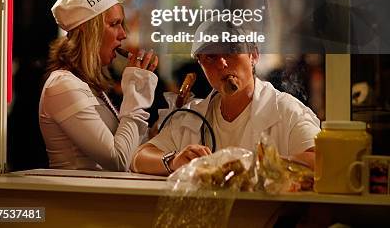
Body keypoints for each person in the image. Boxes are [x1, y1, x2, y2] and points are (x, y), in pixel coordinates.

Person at [131, 18, 320, 175]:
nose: (222, 63)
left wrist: (256, 164)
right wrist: (173, 161)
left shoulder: (285, 110)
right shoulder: (190, 117)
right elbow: (140, 158)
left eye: (232, 51)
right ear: (201, 66)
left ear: (253, 55)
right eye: (210, 57)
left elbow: (320, 159)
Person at [39, 0, 158, 171]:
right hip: (76, 200)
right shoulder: (62, 85)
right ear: (88, 31)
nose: (123, 34)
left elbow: (129, 150)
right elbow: (118, 161)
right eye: (114, 24)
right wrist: (135, 92)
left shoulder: (89, 85)